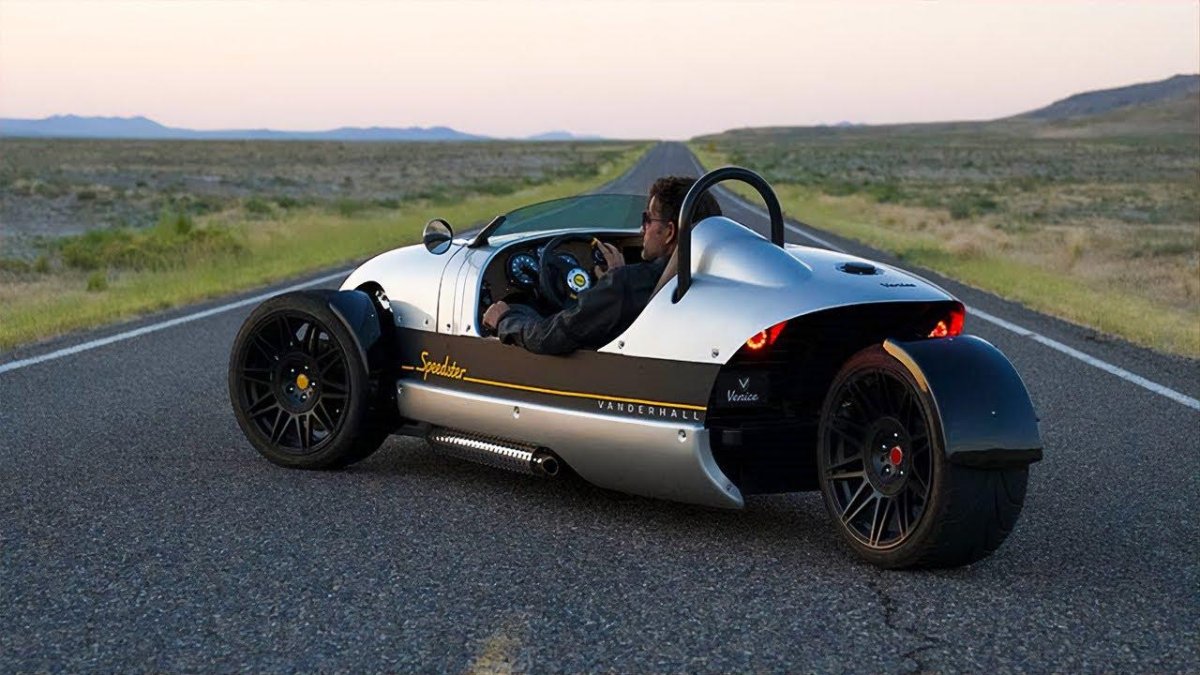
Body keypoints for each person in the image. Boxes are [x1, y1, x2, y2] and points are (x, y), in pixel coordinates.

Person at [481, 176, 721, 355]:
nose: (641, 229)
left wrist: (506, 320)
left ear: (669, 232)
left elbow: (548, 338)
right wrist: (612, 282)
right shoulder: (711, 279)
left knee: (524, 314)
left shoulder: (625, 286)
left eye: (647, 219)